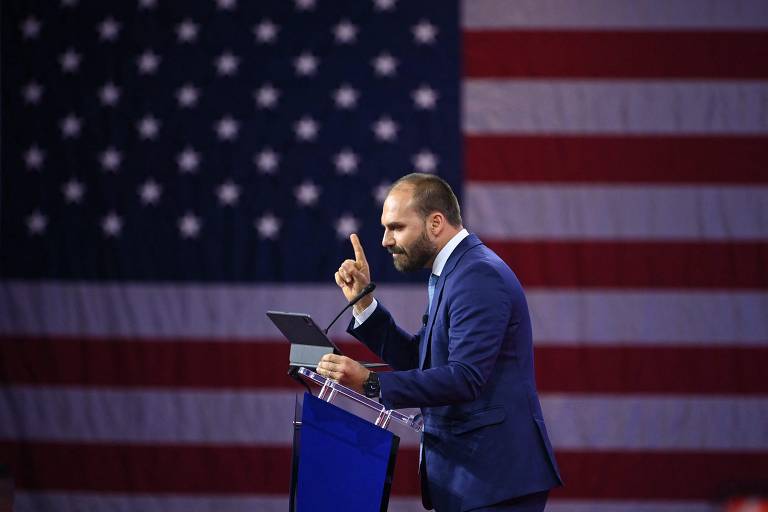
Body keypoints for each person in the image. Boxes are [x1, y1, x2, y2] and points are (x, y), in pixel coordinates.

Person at [317, 173, 562, 512]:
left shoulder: (478, 275)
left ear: (435, 223)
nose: (385, 240)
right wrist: (362, 302)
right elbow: (425, 359)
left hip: (495, 481)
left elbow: (465, 377)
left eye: (396, 227)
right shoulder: (454, 271)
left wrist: (370, 382)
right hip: (477, 480)